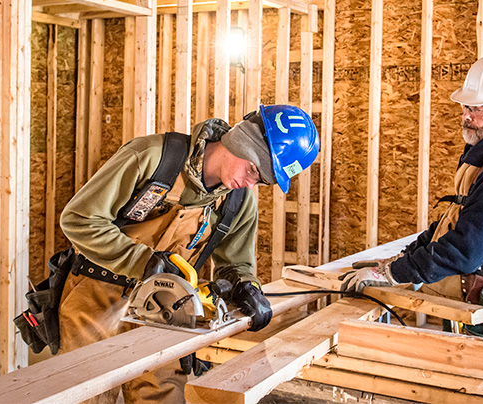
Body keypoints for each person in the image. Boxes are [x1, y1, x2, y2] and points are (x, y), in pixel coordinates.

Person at [57, 104, 319, 404]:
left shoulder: (237, 200)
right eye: (252, 171)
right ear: (241, 141)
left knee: (162, 396)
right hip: (95, 297)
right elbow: (79, 219)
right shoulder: (152, 158)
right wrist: (143, 262)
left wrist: (245, 285)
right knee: (87, 395)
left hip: (165, 310)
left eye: (261, 181)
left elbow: (235, 262)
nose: (250, 184)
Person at [340, 53, 483, 343]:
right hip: (472, 305)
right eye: (466, 107)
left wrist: (393, 274)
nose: (467, 116)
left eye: (479, 109)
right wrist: (399, 260)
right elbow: (453, 221)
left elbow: (465, 249)